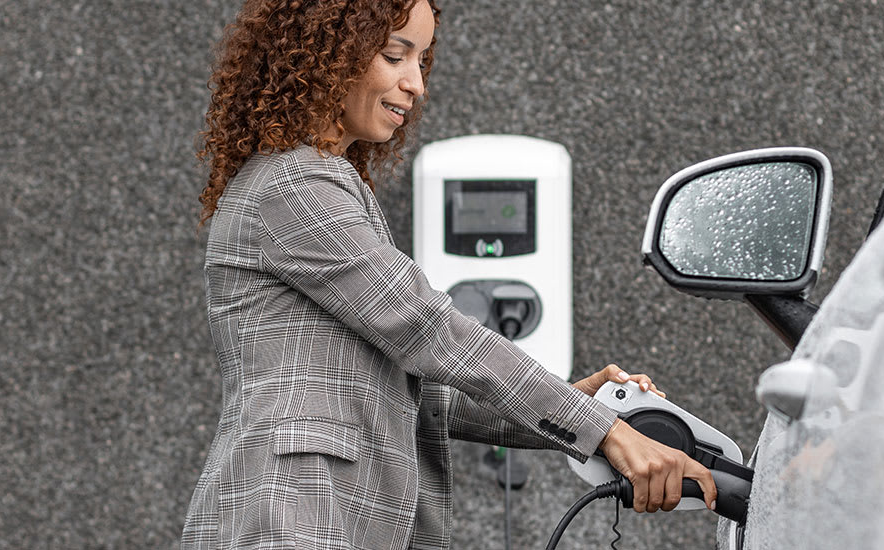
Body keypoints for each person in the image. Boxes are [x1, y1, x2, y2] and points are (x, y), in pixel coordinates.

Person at [180, 1, 717, 547]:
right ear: (325, 55)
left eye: (422, 60)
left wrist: (576, 407)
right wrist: (602, 431)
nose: (415, 84)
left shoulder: (319, 183)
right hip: (290, 518)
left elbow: (425, 394)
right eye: (395, 55)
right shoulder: (293, 188)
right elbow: (428, 328)